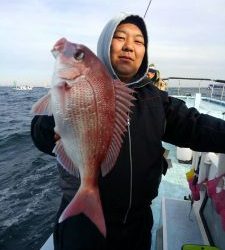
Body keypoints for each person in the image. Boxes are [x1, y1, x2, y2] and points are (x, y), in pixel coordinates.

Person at [31, 13, 225, 250]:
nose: (129, 47)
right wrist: (52, 126)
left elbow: (195, 126)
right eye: (120, 37)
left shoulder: (157, 101)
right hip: (81, 227)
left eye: (139, 42)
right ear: (105, 44)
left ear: (145, 53)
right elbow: (40, 134)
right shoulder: (74, 89)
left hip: (137, 225)